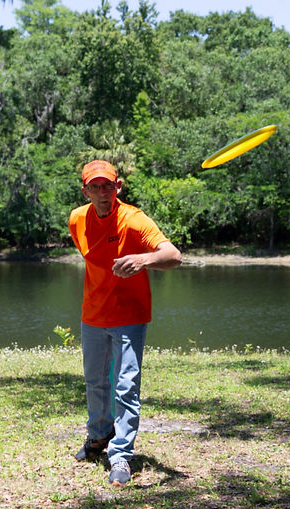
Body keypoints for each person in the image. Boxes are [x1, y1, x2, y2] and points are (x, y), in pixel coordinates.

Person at [69, 159, 182, 486]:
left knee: (125, 384)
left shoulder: (133, 220)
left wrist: (144, 259)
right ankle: (99, 435)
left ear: (118, 188)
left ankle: (121, 454)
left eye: (109, 186)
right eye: (96, 187)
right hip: (93, 314)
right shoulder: (77, 218)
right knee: (94, 381)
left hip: (129, 316)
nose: (103, 193)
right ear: (86, 191)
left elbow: (174, 255)